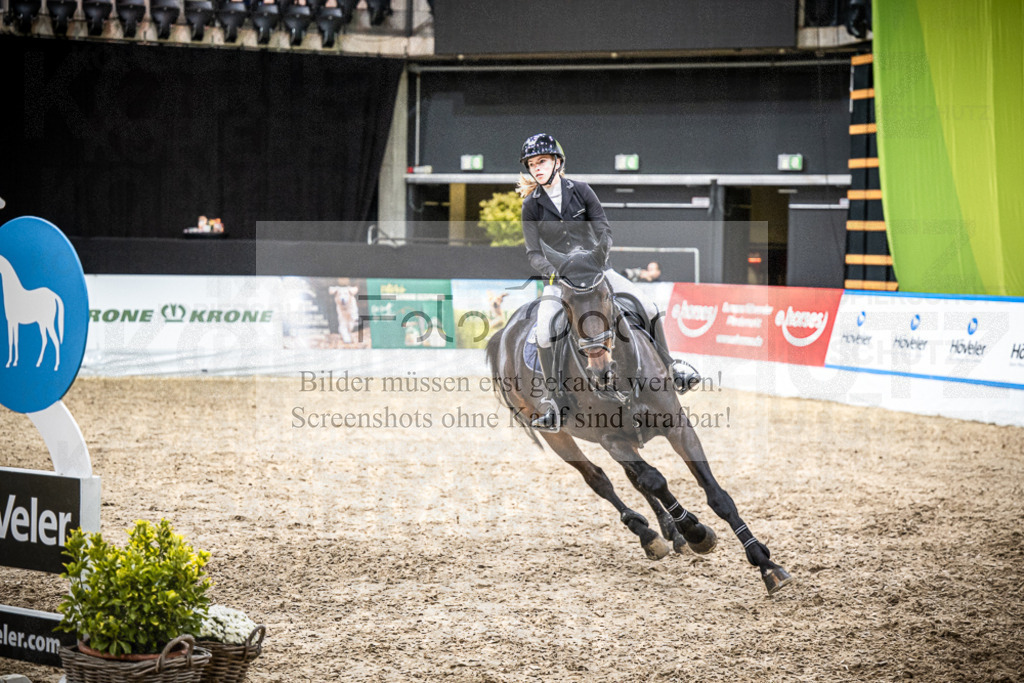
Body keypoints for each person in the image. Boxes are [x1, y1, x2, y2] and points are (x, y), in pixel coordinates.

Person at [517, 133, 700, 432]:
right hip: (561, 279)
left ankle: (672, 367)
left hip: (597, 272)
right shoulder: (531, 206)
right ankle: (556, 401)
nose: (537, 168)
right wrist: (556, 271)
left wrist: (596, 259)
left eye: (542, 161)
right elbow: (533, 253)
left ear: (558, 162)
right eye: (532, 164)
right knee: (545, 331)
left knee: (649, 307)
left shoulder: (582, 190)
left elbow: (604, 231)